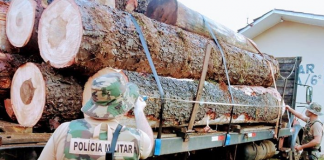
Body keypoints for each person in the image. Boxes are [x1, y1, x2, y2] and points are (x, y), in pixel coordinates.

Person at [38, 73, 154, 160]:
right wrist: (138, 111)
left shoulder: (64, 131)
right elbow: (149, 144)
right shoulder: (138, 140)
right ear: (123, 106)